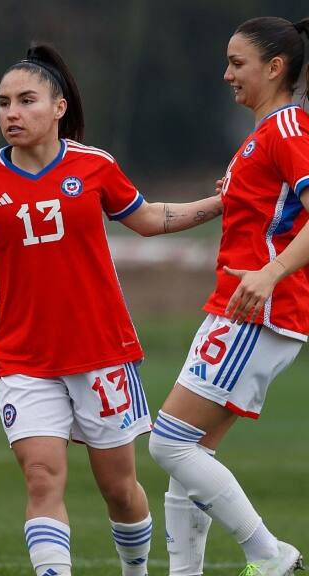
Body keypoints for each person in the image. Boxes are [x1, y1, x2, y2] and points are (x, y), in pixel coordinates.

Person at [0, 42, 223, 576]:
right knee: (41, 478)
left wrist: (220, 203)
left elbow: (149, 219)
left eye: (26, 100)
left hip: (101, 352)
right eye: (3, 102)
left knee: (119, 489)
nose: (11, 112)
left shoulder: (94, 166)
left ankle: (136, 570)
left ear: (58, 108)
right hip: (24, 357)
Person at [148, 16, 309, 576]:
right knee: (189, 453)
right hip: (240, 307)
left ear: (275, 67)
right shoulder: (265, 134)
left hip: (258, 311)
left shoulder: (287, 129)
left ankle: (269, 554)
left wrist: (270, 273)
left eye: (238, 63)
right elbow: (273, 209)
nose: (226, 74)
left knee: (168, 443)